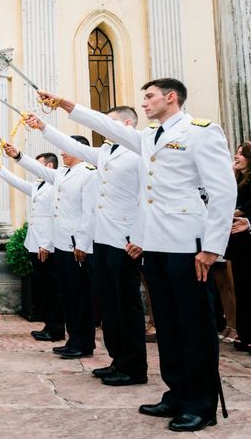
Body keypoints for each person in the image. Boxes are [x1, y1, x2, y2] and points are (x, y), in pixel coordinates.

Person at [38, 78, 236, 432]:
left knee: (193, 325)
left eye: (150, 97)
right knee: (168, 325)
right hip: (156, 244)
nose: (144, 103)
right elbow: (104, 125)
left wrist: (211, 247)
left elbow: (223, 190)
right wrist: (64, 104)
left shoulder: (201, 132)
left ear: (170, 98)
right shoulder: (148, 138)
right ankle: (176, 393)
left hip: (188, 245)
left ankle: (201, 403)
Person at [26, 108, 148, 386]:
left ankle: (134, 366)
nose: (105, 127)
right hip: (103, 240)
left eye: (111, 122)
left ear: (128, 124)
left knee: (126, 305)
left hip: (125, 240)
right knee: (110, 306)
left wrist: (140, 236)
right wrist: (43, 126)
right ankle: (118, 360)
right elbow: (70, 146)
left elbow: (145, 196)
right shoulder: (105, 153)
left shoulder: (138, 150)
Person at [3, 139, 97, 359]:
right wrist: (18, 156)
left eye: (67, 148)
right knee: (69, 297)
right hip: (62, 245)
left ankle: (84, 344)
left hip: (78, 246)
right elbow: (38, 170)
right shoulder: (63, 174)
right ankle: (74, 340)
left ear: (80, 150)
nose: (62, 152)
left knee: (80, 298)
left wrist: (82, 244)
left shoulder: (88, 173)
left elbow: (89, 212)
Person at [0, 153, 65, 341]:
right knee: (43, 288)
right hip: (35, 244)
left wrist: (46, 245)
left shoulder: (55, 186)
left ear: (50, 166)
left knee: (52, 289)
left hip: (48, 246)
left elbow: (55, 218)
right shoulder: (39, 186)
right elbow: (18, 183)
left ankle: (56, 329)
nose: (35, 170)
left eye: (39, 166)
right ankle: (49, 325)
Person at [226, 141, 251, 353]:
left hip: (248, 238)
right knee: (241, 287)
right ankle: (244, 334)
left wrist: (241, 212)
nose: (236, 156)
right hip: (237, 240)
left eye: (241, 154)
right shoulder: (238, 179)